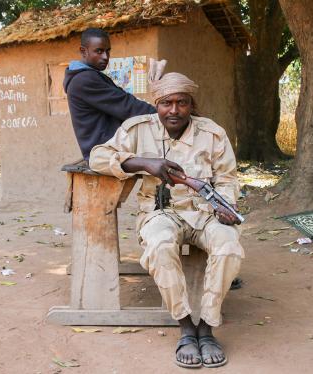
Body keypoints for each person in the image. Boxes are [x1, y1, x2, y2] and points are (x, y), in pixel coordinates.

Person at [89, 70, 244, 368]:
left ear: (191, 104)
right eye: (166, 103)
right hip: (160, 212)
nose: (174, 110)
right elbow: (97, 156)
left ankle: (207, 329)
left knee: (229, 246)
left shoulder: (212, 133)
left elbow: (226, 177)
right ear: (156, 104)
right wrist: (144, 162)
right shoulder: (137, 129)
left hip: (205, 212)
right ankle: (186, 328)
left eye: (182, 102)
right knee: (159, 245)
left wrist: (226, 205)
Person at [63, 28, 156, 160]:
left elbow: (124, 101)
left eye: (108, 51)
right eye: (99, 51)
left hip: (109, 147)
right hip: (105, 152)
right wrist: (161, 114)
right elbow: (127, 106)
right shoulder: (84, 80)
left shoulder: (90, 75)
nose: (105, 57)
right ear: (83, 51)